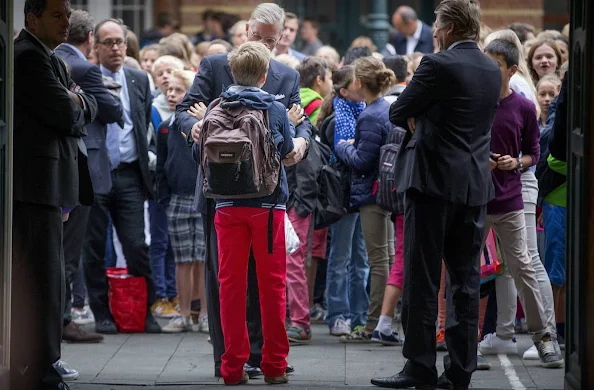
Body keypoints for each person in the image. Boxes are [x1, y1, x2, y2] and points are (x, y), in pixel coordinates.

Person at [176, 2, 311, 378]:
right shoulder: (215, 65)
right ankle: (235, 358)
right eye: (258, 37)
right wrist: (195, 128)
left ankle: (250, 356)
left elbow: (303, 126)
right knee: (238, 280)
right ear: (246, 29)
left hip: (244, 199)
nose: (264, 45)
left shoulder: (287, 76)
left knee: (243, 280)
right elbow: (184, 111)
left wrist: (303, 140)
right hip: (228, 189)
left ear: (282, 38)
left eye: (271, 39)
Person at [370, 0, 501, 388]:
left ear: (449, 27)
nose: (435, 30)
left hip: (431, 184)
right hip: (474, 185)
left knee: (423, 277)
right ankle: (460, 370)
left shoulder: (436, 64)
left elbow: (399, 111)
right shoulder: (491, 68)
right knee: (465, 281)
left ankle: (420, 367)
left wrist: (421, 116)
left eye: (438, 24)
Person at [12, 0, 97, 388]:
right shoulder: (29, 57)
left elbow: (88, 104)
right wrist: (74, 100)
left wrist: (75, 100)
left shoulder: (52, 58)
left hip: (51, 185)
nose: (66, 23)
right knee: (43, 281)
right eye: (56, 16)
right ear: (32, 19)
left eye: (67, 15)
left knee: (51, 278)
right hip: (36, 187)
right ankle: (41, 370)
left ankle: (46, 363)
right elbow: (68, 113)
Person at [203, 41, 295, 386]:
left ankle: (231, 368)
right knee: (272, 287)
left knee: (230, 286)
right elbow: (285, 150)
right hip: (268, 205)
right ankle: (274, 365)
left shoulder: (216, 106)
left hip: (225, 205)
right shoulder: (274, 108)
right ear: (264, 74)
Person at [477, 39, 563, 369]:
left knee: (523, 266)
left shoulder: (524, 107)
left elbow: (533, 153)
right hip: (477, 198)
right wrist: (480, 160)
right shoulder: (474, 104)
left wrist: (517, 163)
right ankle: (467, 343)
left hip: (511, 197)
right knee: (467, 270)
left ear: (511, 70)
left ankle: (545, 338)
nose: (488, 70)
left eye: (495, 64)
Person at [82, 18, 161, 335]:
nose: (116, 48)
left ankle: (146, 311)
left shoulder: (138, 79)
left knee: (136, 245)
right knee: (95, 247)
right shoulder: (86, 78)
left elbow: (143, 125)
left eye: (120, 42)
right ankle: (102, 313)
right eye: (109, 42)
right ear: (96, 46)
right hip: (96, 172)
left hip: (129, 174)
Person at [56, 8, 123, 345]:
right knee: (71, 252)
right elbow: (112, 111)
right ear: (90, 40)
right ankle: (64, 321)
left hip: (54, 168)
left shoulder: (50, 59)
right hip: (81, 169)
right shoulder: (83, 68)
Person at [335, 56, 396, 343]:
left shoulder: (370, 115)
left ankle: (374, 324)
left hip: (372, 194)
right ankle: (385, 320)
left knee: (378, 260)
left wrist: (344, 147)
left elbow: (361, 160)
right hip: (384, 191)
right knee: (387, 257)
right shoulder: (384, 109)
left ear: (359, 82)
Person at [283, 57, 334, 344]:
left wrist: (300, 205)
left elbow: (308, 169)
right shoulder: (284, 114)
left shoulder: (299, 120)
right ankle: (292, 319)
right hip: (287, 201)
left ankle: (300, 322)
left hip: (296, 203)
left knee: (293, 262)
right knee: (289, 263)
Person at [157, 70, 209, 333]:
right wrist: (164, 198)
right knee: (182, 259)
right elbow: (162, 168)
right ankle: (184, 312)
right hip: (177, 199)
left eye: (179, 91)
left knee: (202, 257)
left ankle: (203, 314)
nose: (172, 95)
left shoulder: (204, 125)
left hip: (201, 196)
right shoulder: (165, 127)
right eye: (169, 90)